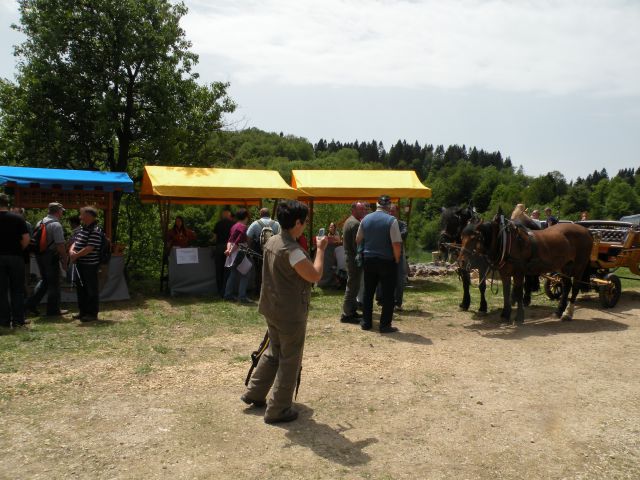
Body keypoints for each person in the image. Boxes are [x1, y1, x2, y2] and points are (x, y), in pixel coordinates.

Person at [242, 200, 328, 424]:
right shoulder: (293, 251)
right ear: (297, 223)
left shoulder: (272, 241)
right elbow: (315, 275)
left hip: (271, 307)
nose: (305, 224)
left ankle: (254, 393)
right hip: (289, 312)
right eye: (305, 221)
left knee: (273, 352)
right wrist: (320, 249)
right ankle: (278, 409)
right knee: (290, 359)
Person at [356, 195, 403, 333]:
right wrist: (397, 259)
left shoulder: (365, 219)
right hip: (386, 260)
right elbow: (396, 244)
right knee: (388, 294)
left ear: (376, 204)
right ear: (388, 206)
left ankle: (366, 322)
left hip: (369, 259)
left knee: (368, 292)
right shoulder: (391, 220)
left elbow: (358, 239)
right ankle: (384, 325)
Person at [25, 202, 68, 317]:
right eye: (61, 211)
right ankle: (53, 311)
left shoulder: (41, 222)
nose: (62, 213)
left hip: (40, 255)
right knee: (54, 283)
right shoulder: (56, 225)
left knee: (45, 281)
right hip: (51, 256)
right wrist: (65, 260)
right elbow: (60, 245)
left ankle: (30, 304)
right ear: (58, 211)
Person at [0, 194, 30, 328]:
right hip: (16, 257)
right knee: (17, 290)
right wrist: (18, 249)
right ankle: (18, 320)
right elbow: (26, 239)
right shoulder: (18, 218)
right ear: (7, 203)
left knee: (1, 290)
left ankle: (3, 321)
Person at [69, 206, 103, 322]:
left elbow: (89, 248)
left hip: (90, 265)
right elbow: (75, 241)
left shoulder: (95, 230)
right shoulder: (84, 229)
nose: (80, 217)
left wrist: (76, 255)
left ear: (89, 216)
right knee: (81, 289)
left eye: (82, 214)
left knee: (91, 289)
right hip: (80, 264)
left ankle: (92, 313)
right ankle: (83, 311)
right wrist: (71, 251)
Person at [340, 201, 367, 323]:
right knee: (352, 286)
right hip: (353, 259)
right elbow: (357, 245)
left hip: (350, 258)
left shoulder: (350, 221)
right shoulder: (355, 224)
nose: (363, 211)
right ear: (353, 210)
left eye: (364, 209)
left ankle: (351, 310)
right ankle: (346, 314)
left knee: (354, 286)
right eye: (361, 209)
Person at [247, 207, 281, 295]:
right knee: (271, 271)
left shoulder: (255, 224)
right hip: (272, 251)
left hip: (258, 251)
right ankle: (271, 291)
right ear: (269, 214)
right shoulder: (276, 224)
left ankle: (259, 291)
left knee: (258, 270)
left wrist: (249, 248)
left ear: (260, 214)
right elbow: (281, 238)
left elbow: (249, 237)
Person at [224, 208, 252, 303]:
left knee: (233, 273)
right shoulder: (243, 227)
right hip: (239, 251)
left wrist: (228, 250)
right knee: (245, 273)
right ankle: (242, 296)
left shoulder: (234, 226)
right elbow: (238, 241)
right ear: (246, 216)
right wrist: (231, 251)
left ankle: (228, 294)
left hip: (233, 251)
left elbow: (230, 240)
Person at [212, 208, 234, 297]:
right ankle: (226, 290)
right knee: (228, 270)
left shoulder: (218, 224)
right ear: (229, 215)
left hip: (219, 248)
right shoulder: (233, 224)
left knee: (219, 270)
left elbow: (214, 238)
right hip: (229, 248)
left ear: (222, 215)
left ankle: (219, 291)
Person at [11, 207, 33, 294]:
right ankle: (26, 297)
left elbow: (30, 239)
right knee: (23, 276)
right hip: (21, 253)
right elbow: (30, 239)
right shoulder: (27, 224)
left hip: (21, 253)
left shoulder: (26, 224)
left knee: (23, 276)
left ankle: (25, 296)